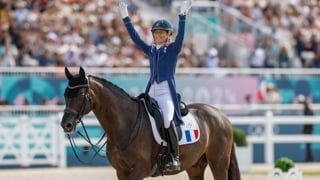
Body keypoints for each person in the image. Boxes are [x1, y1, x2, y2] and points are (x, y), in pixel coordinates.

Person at [118, 0, 193, 171]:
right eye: (156, 33)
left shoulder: (173, 49)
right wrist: (125, 18)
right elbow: (136, 38)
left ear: (168, 35)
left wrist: (182, 16)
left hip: (166, 91)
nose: (158, 35)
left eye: (162, 33)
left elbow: (181, 37)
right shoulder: (151, 50)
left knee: (166, 119)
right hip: (151, 90)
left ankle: (174, 156)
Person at [297, 94, 314, 162]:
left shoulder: (307, 109)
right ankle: (309, 157)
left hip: (308, 129)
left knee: (308, 145)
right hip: (308, 129)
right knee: (308, 145)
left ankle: (309, 158)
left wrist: (305, 129)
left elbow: (309, 119)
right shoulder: (306, 109)